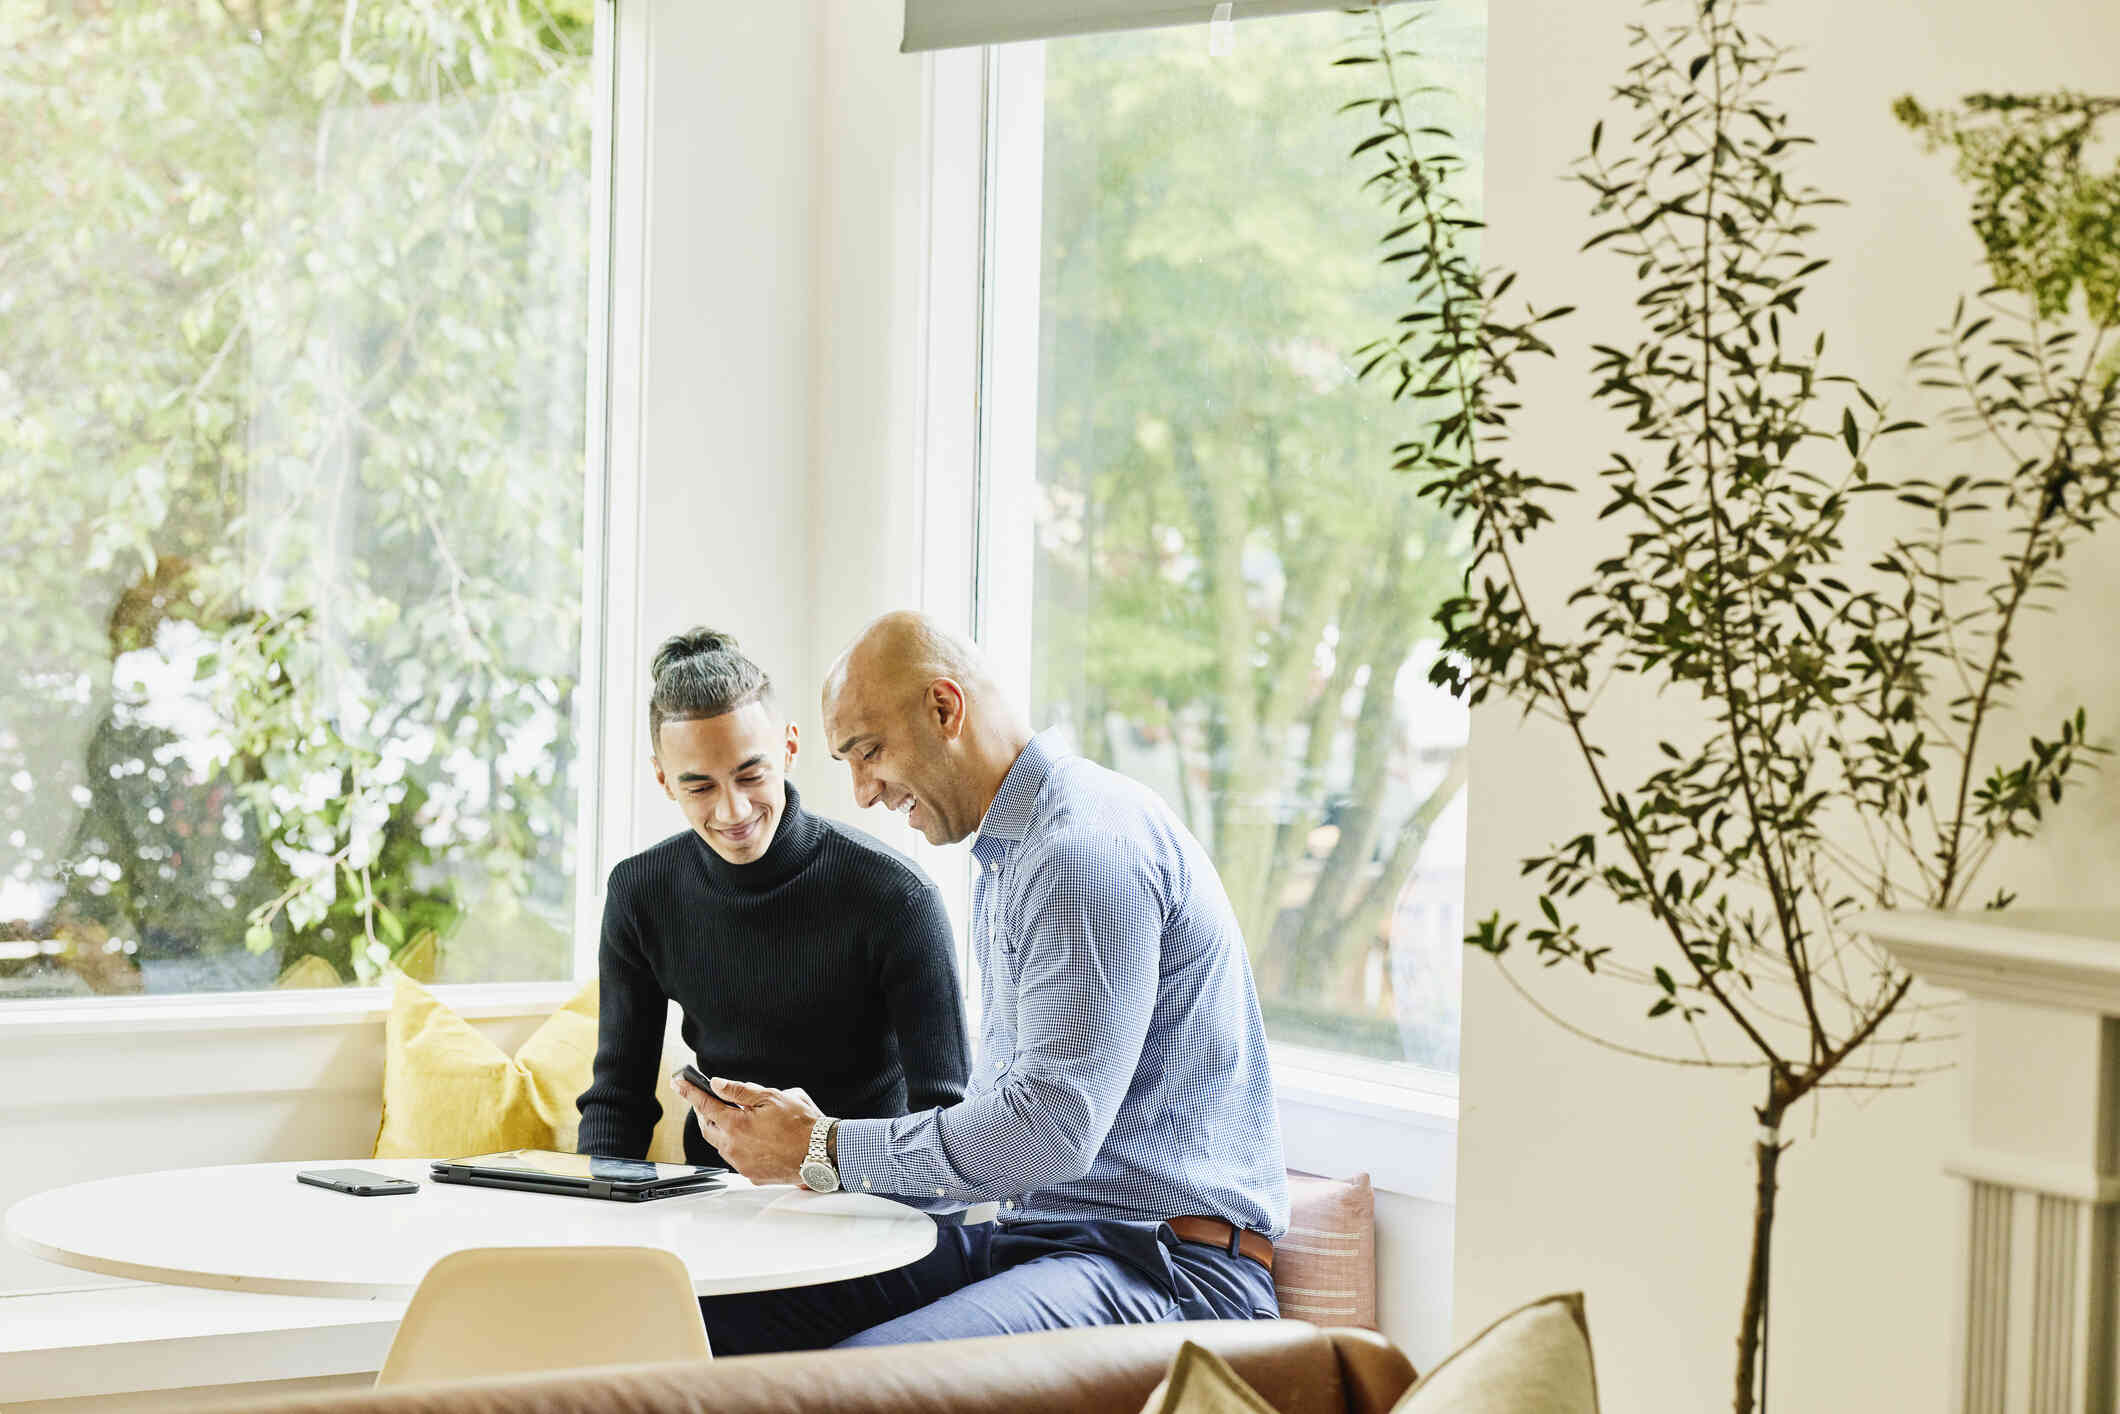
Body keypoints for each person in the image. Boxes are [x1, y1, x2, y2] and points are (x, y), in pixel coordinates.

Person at [677, 611, 1288, 1350]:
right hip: (1045, 1242)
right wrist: (815, 1150)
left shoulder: (1079, 851)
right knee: (707, 1321)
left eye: (867, 753)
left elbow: (1052, 1129)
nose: (864, 792)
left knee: (857, 1386)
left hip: (1163, 1269)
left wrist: (827, 1149)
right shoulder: (1020, 853)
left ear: (944, 709)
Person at [575, 627, 970, 1169]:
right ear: (663, 779)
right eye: (700, 787)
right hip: (716, 1201)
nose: (733, 811)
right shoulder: (640, 891)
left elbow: (946, 1114)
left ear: (788, 747)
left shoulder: (897, 896)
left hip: (868, 1206)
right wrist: (590, 1221)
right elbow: (618, 1100)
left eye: (750, 774)